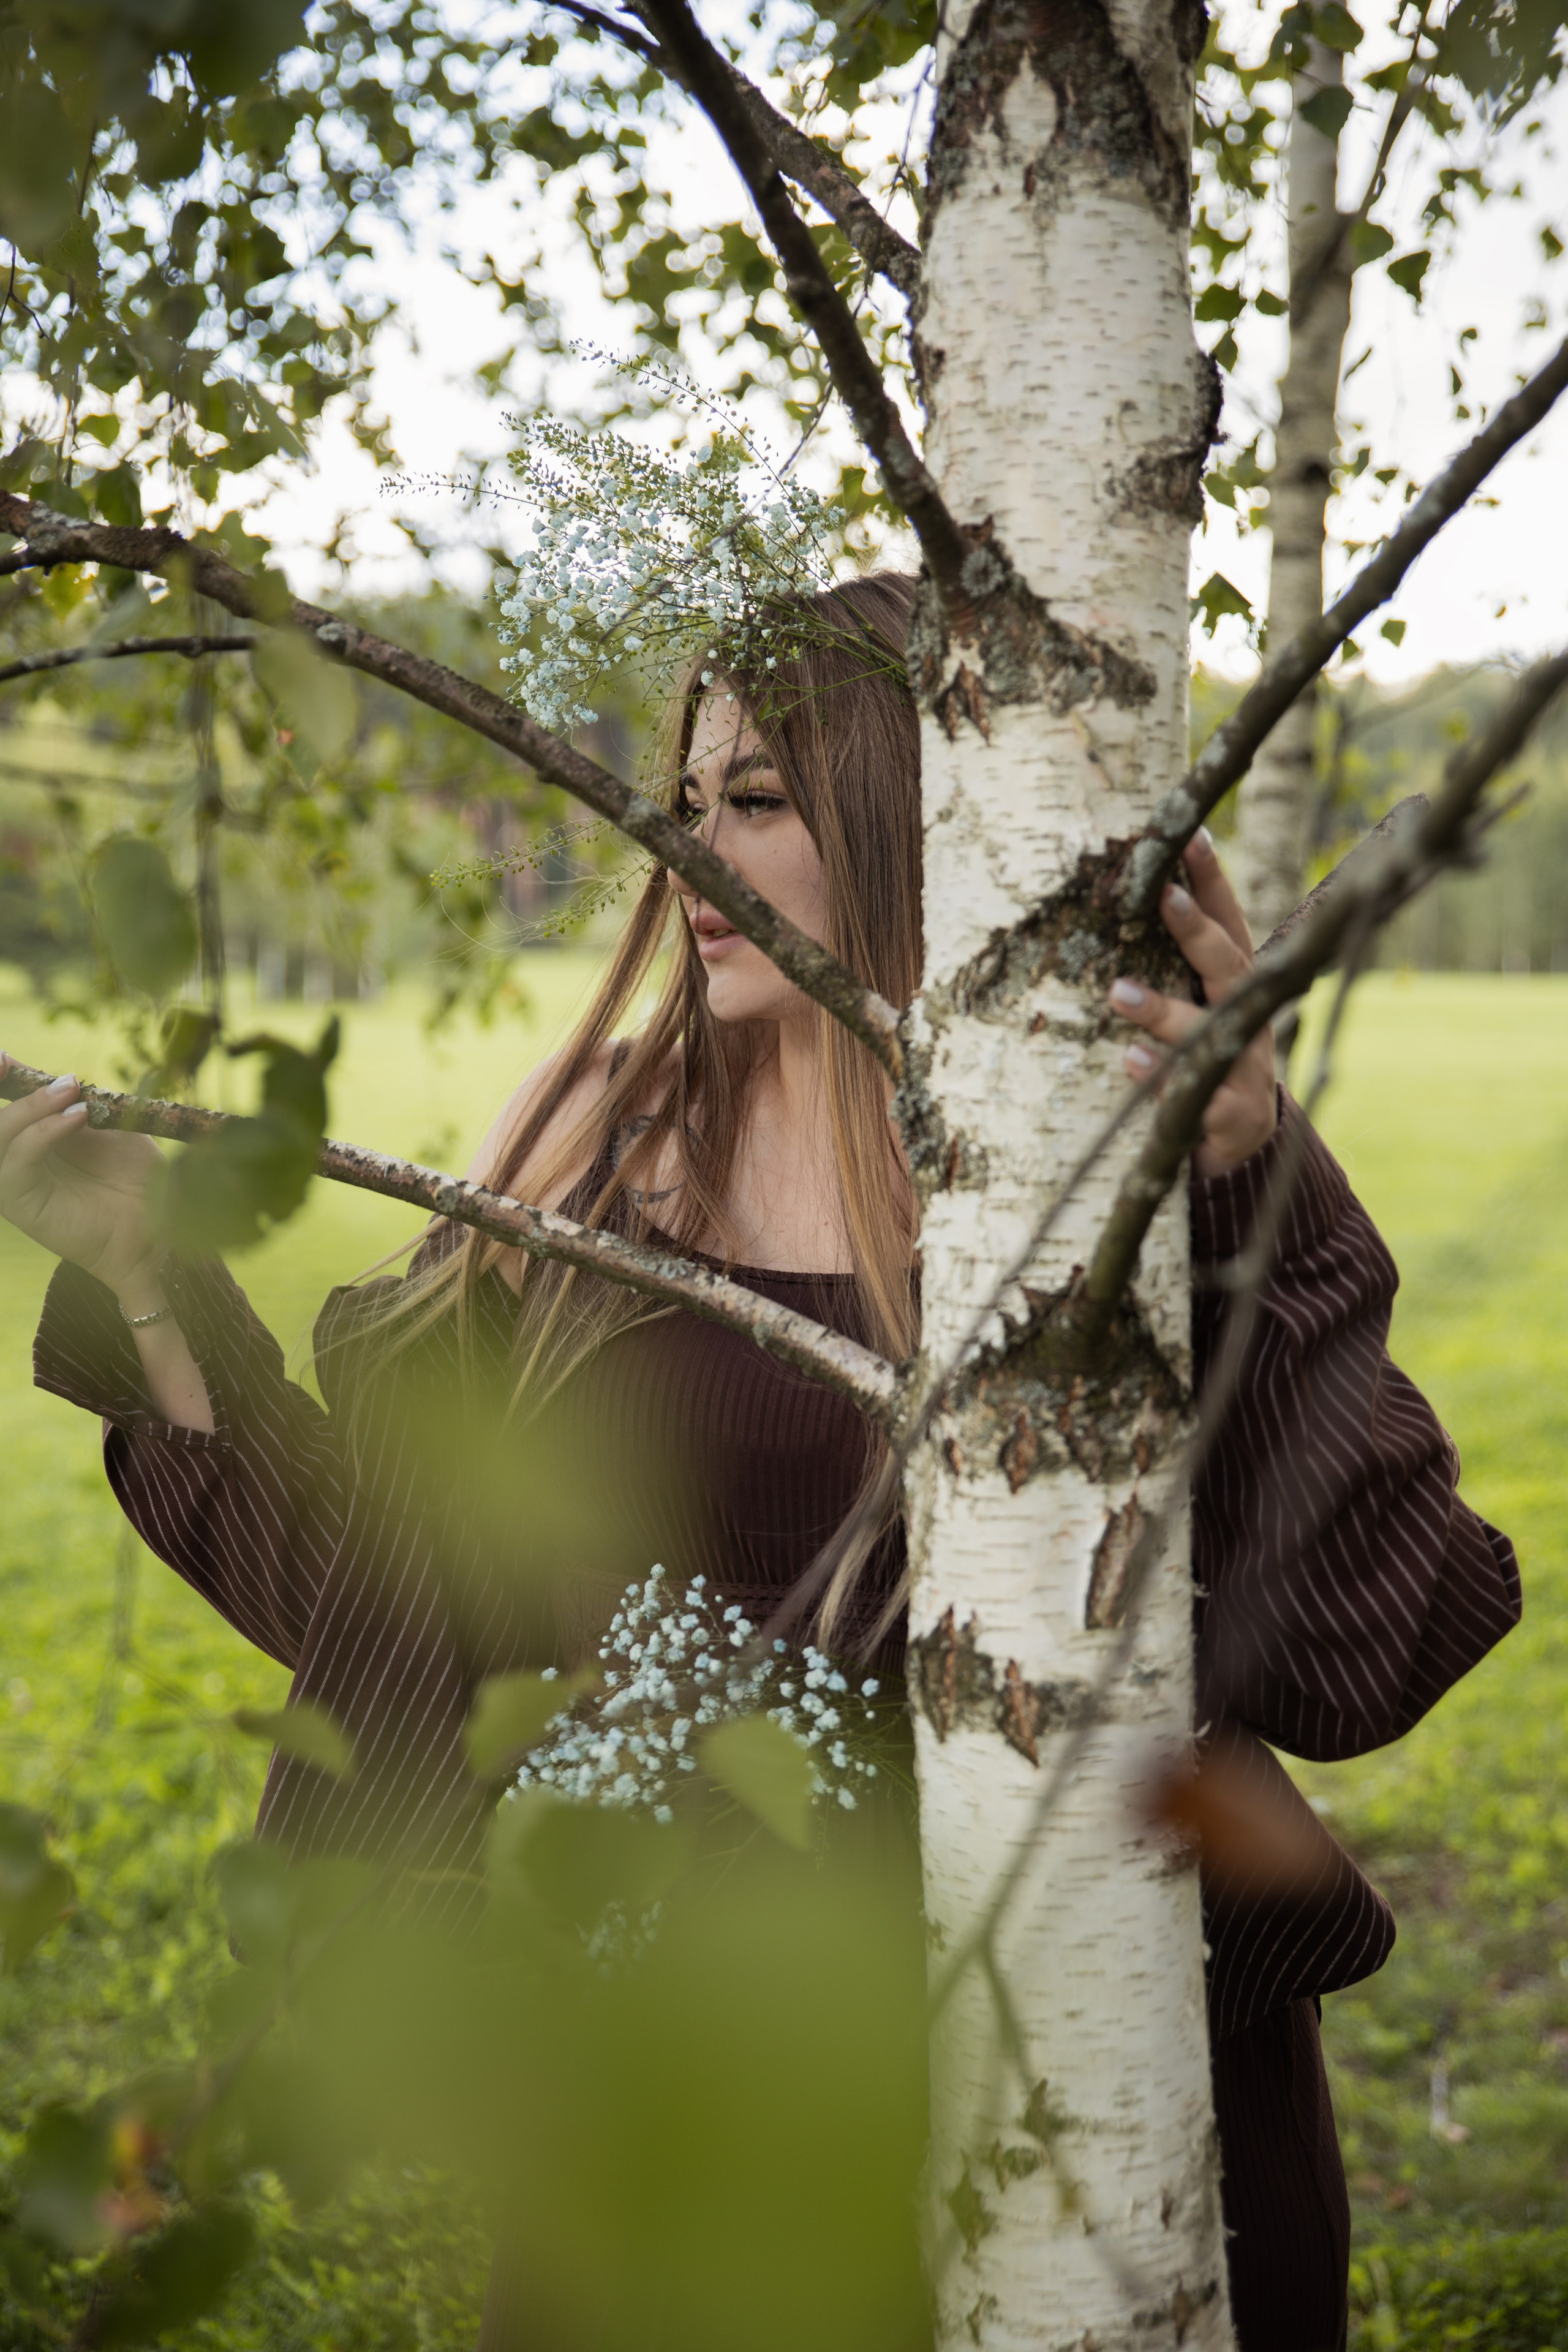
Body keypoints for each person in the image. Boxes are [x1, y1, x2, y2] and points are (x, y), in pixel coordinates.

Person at [2, 574, 1519, 2351]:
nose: (692, 850)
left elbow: (1366, 1635)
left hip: (1105, 2020)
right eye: (686, 799)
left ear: (908, 823)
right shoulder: (597, 1149)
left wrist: (1255, 1171)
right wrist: (141, 1278)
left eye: (758, 802)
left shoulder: (1109, 1149)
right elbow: (404, 1599)